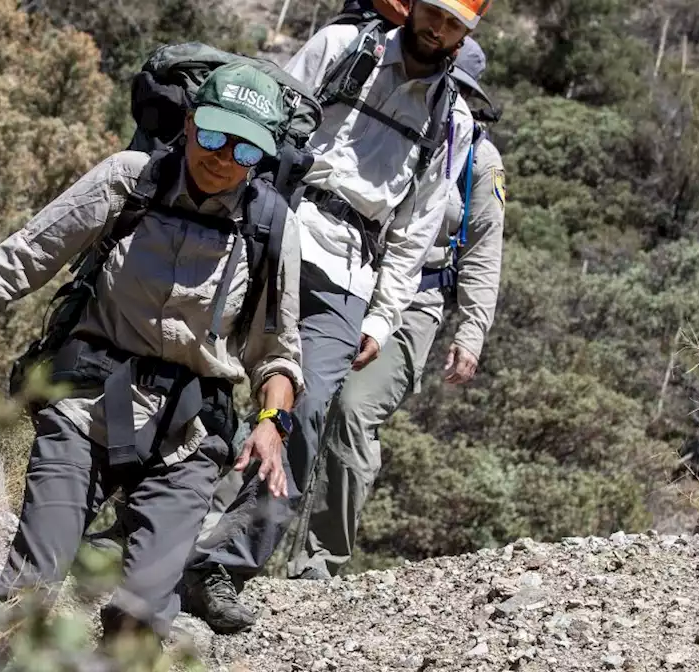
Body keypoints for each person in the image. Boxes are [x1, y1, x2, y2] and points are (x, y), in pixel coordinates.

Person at [0, 62, 305, 643]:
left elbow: (278, 353)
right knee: (31, 587)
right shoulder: (129, 180)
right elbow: (29, 252)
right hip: (87, 406)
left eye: (244, 150)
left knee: (140, 624)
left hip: (187, 435)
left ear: (262, 158)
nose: (222, 157)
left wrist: (273, 422)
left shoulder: (270, 227)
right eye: (214, 135)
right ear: (190, 124)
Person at [179, 0, 491, 635]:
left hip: (352, 268)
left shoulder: (452, 120)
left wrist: (382, 320)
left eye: (454, 23)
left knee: (309, 409)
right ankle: (152, 521)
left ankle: (222, 566)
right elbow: (265, 126)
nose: (438, 29)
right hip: (276, 228)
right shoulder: (344, 46)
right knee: (196, 371)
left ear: (466, 34)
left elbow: (417, 227)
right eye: (433, 12)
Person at [289, 36, 507, 581]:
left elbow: (484, 249)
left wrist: (472, 331)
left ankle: (319, 561)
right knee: (292, 393)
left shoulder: (478, 160)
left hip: (416, 303)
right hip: (348, 270)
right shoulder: (383, 113)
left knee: (354, 412)